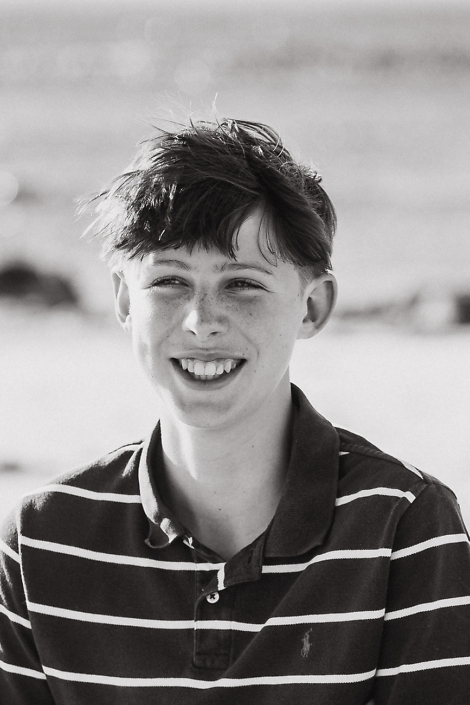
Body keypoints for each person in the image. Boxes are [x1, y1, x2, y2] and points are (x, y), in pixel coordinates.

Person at [0, 118, 469, 705]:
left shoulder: (403, 527)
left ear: (313, 306)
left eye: (242, 284)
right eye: (169, 281)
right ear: (123, 299)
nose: (201, 321)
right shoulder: (44, 540)